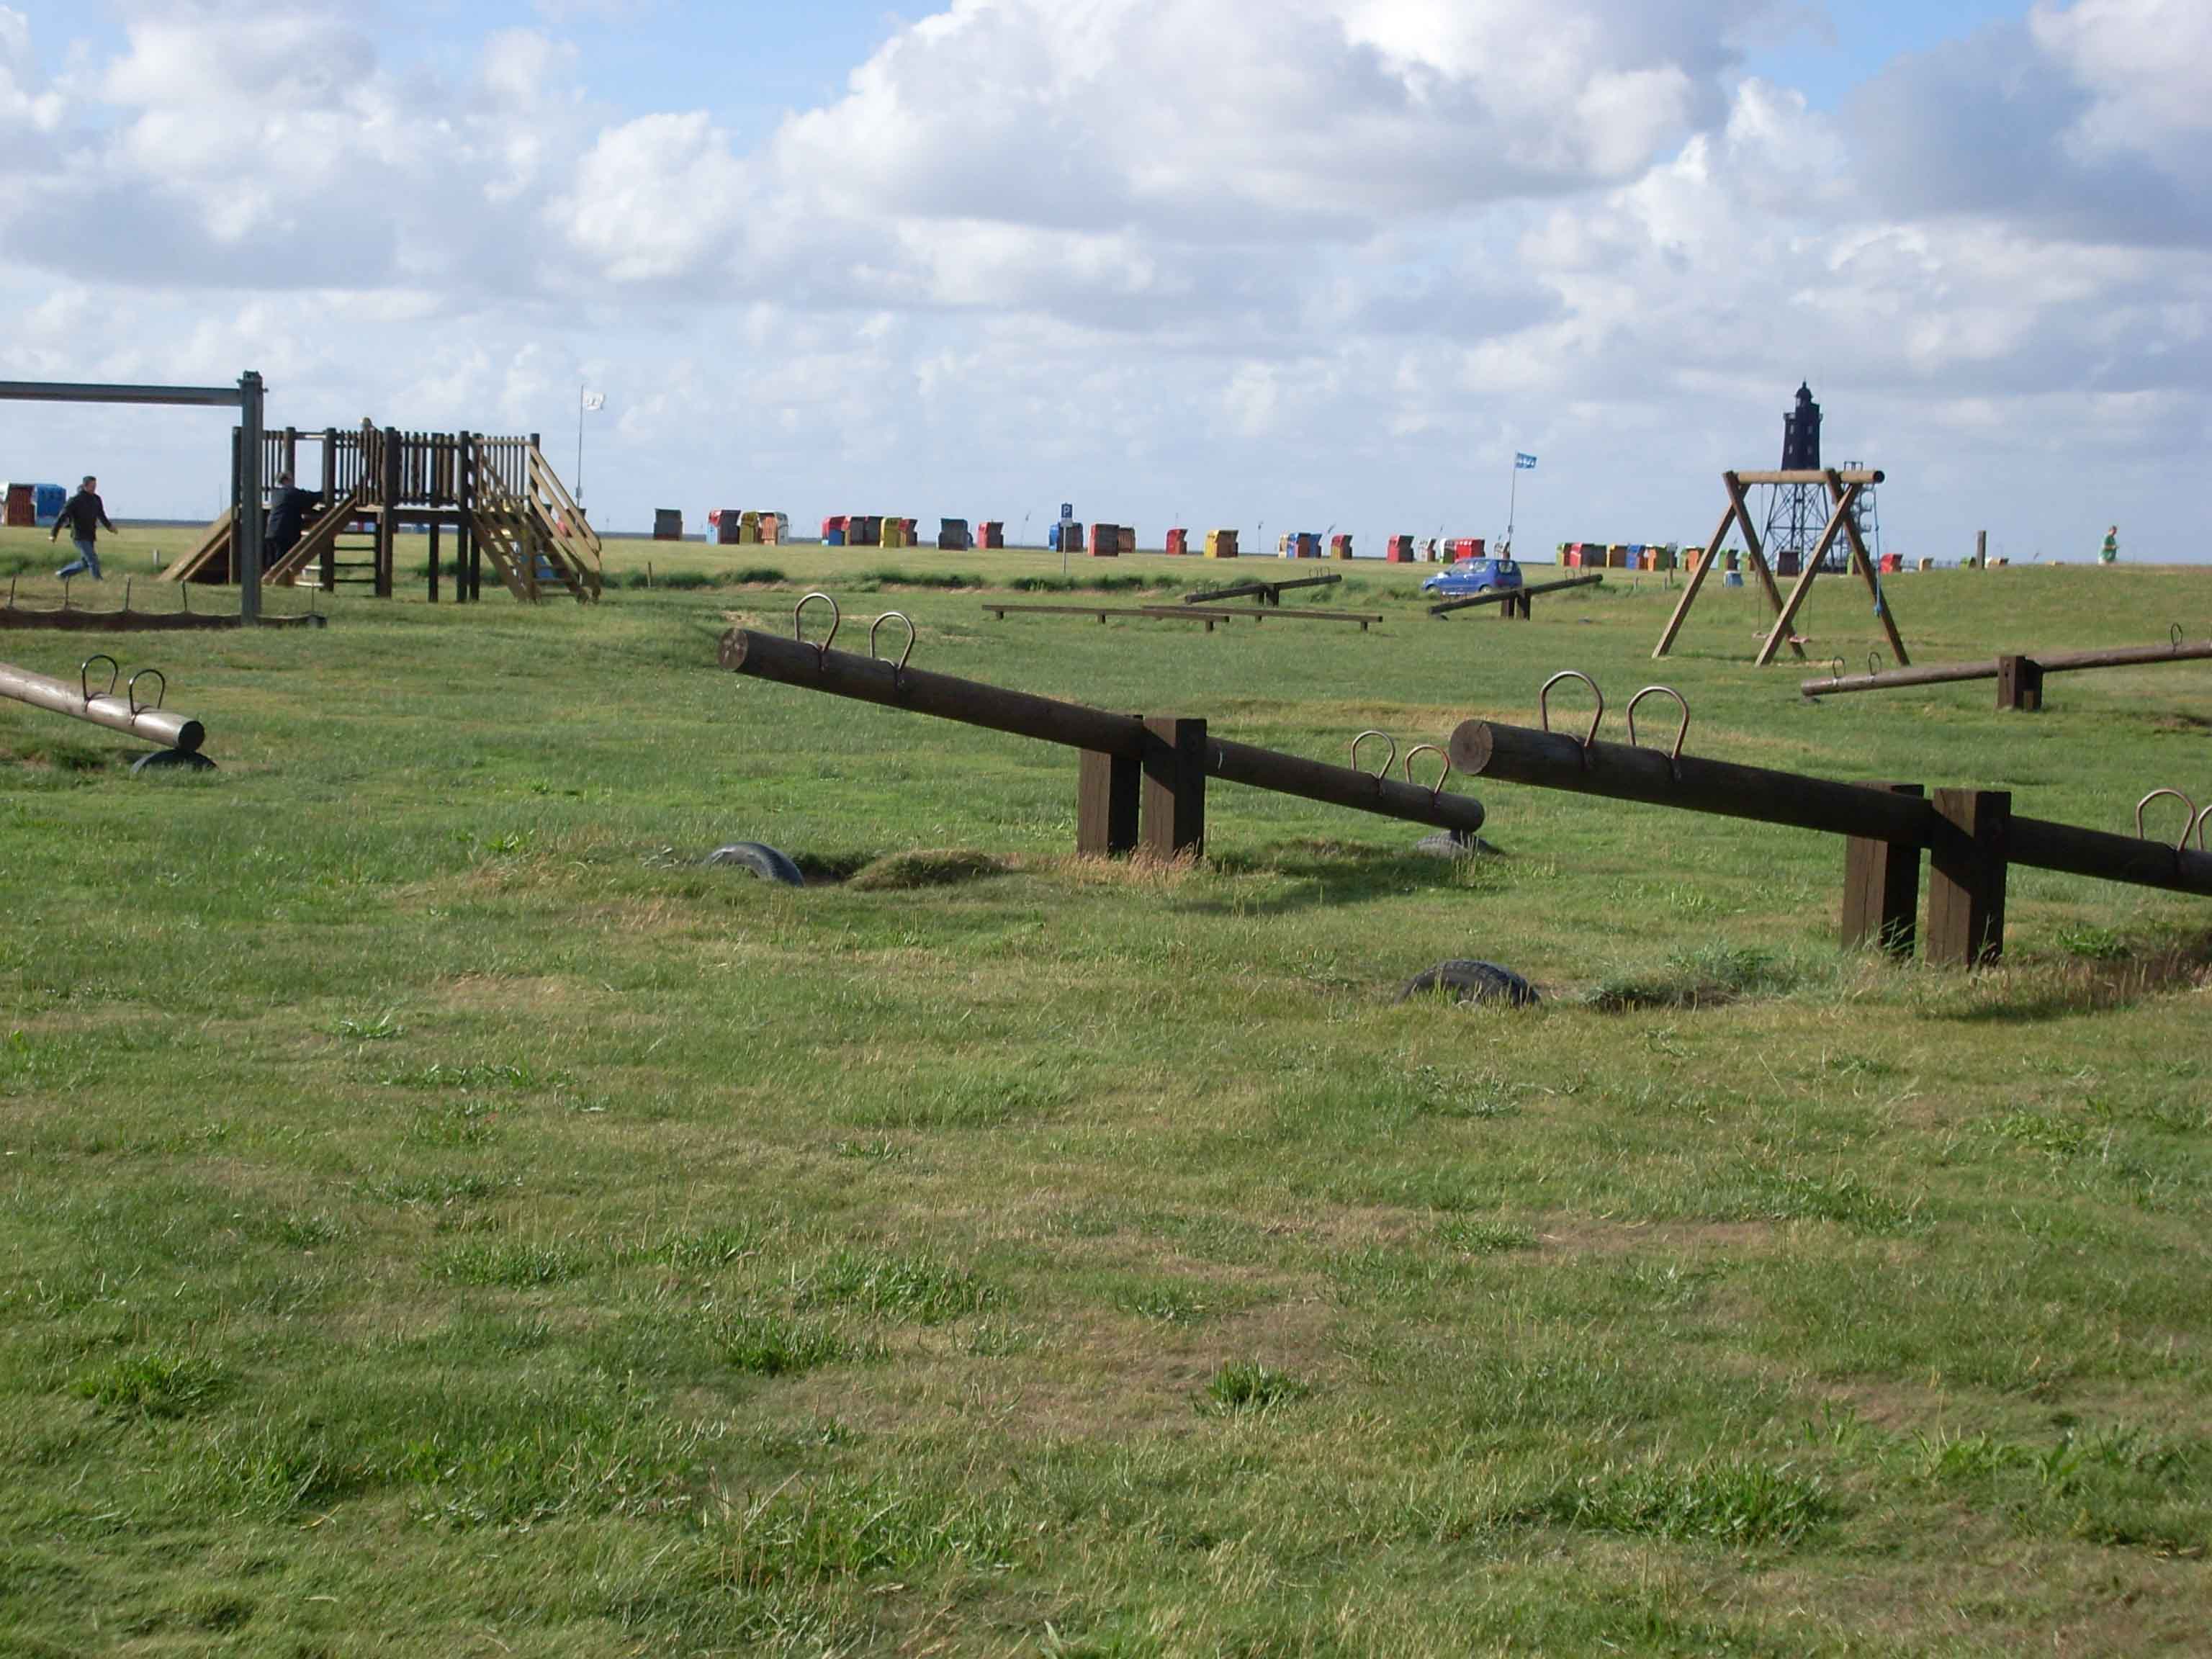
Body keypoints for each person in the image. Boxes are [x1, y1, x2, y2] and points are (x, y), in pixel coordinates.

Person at [52, 475, 117, 580]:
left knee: (86, 563)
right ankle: (98, 582)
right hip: (79, 536)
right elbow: (62, 516)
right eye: (93, 486)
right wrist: (53, 534)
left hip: (90, 535)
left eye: (95, 485)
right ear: (85, 486)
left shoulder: (96, 499)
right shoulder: (76, 500)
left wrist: (109, 527)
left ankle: (62, 574)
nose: (95, 488)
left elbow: (101, 515)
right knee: (92, 559)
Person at [265, 472, 320, 566]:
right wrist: (326, 493)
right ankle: (278, 579)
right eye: (291, 480)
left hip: (272, 532)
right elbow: (310, 497)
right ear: (286, 480)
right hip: (285, 533)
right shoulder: (291, 493)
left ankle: (270, 578)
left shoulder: (276, 494)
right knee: (283, 561)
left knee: (273, 560)